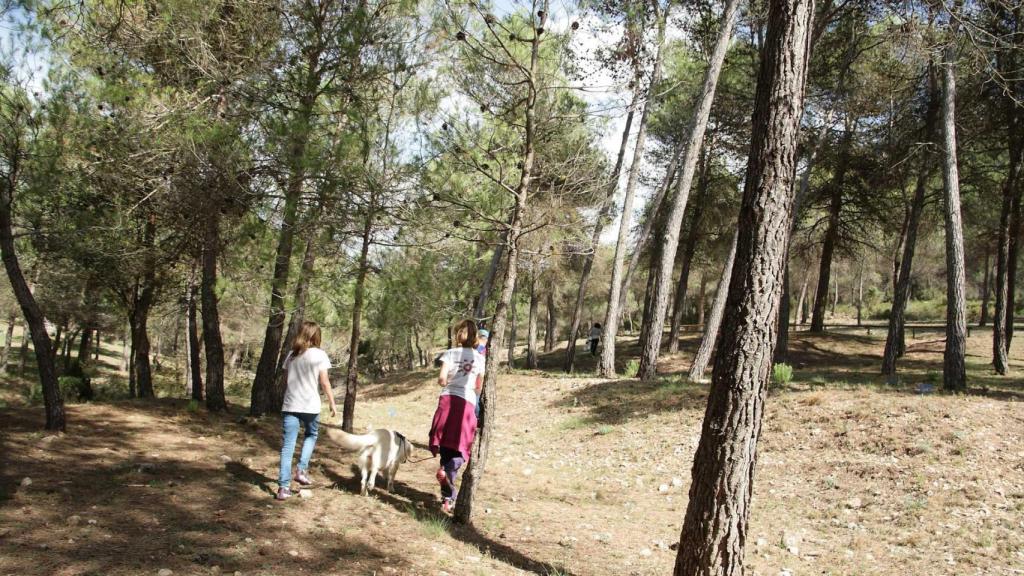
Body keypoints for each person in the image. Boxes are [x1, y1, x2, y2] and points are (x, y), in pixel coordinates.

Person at [428, 319, 486, 513]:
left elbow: (442, 379)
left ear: (458, 335)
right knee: (461, 447)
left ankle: (446, 486)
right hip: (466, 403)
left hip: (447, 400)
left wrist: (449, 382)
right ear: (475, 336)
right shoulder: (480, 358)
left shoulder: (450, 353)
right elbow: (479, 387)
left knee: (445, 442)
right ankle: (449, 490)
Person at [276, 321, 336, 501]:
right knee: (311, 435)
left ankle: (283, 488)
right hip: (310, 406)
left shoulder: (291, 355)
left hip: (291, 404)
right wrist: (332, 402)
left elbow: (286, 380)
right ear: (316, 336)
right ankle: (301, 470)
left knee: (288, 447)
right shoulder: (320, 355)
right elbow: (324, 382)